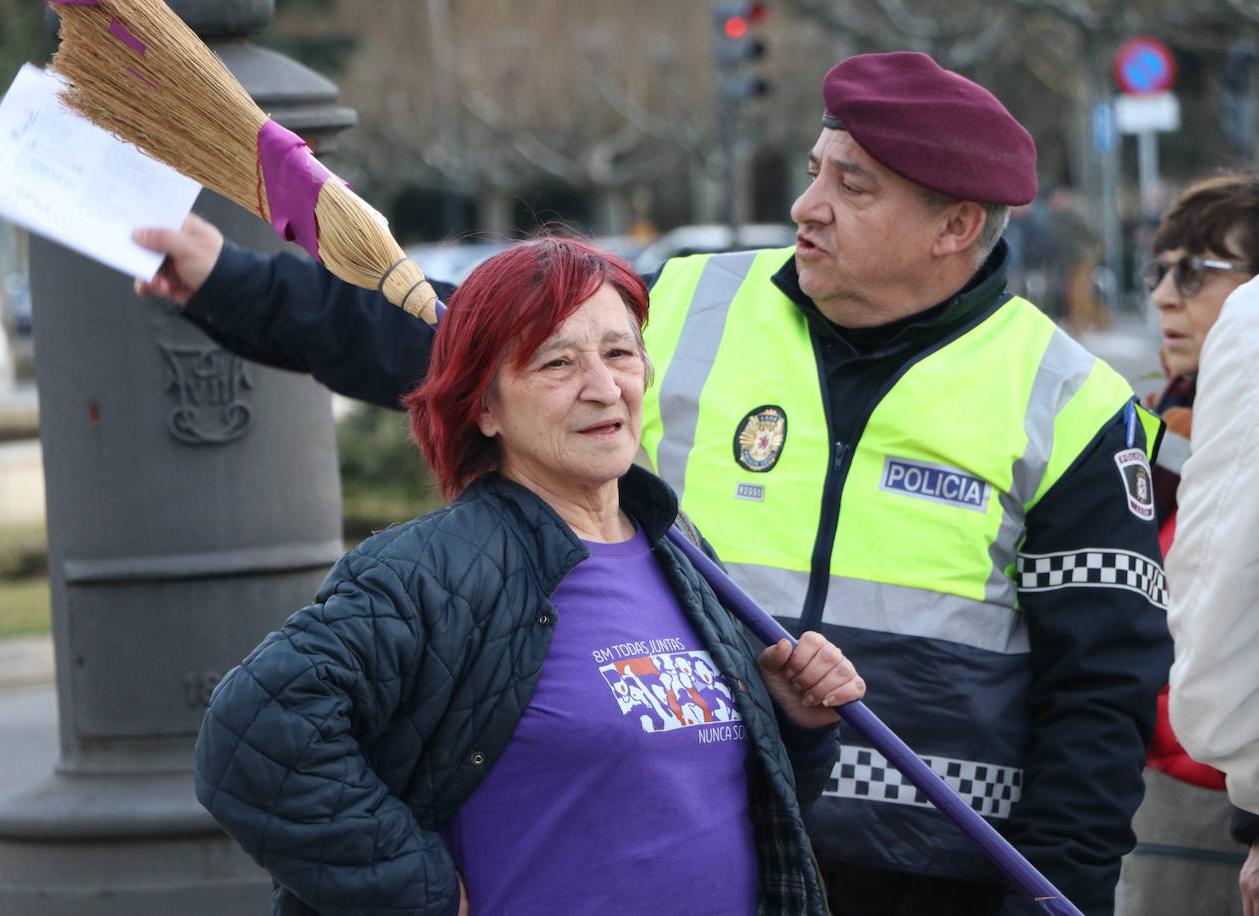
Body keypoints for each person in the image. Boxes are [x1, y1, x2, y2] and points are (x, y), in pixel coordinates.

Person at [142, 52, 1171, 915]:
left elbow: (1102, 699)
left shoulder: (1069, 398)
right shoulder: (691, 302)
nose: (807, 206)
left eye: (853, 187)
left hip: (930, 881)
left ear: (955, 226)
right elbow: (450, 340)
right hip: (728, 844)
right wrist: (233, 283)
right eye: (817, 171)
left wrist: (1054, 895)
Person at [193, 237, 866, 916]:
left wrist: (794, 728)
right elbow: (249, 741)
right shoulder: (431, 571)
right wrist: (416, 892)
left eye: (619, 353)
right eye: (557, 362)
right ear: (484, 406)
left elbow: (704, 796)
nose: (603, 388)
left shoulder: (682, 550)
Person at [1123, 172, 1259, 916]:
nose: (1164, 295)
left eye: (1197, 271)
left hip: (1224, 794)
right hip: (1161, 788)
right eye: (1161, 267)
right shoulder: (1150, 426)